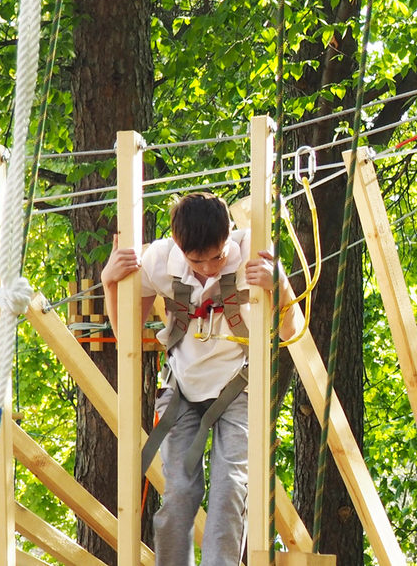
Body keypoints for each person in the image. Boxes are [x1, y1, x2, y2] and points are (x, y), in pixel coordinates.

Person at [101, 191, 293, 566]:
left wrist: (279, 284)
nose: (208, 268)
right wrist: (110, 283)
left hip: (238, 387)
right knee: (178, 495)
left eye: (217, 256)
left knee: (229, 491)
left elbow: (289, 329)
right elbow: (127, 336)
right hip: (183, 389)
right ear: (178, 245)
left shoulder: (251, 254)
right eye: (197, 260)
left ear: (228, 237)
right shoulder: (159, 261)